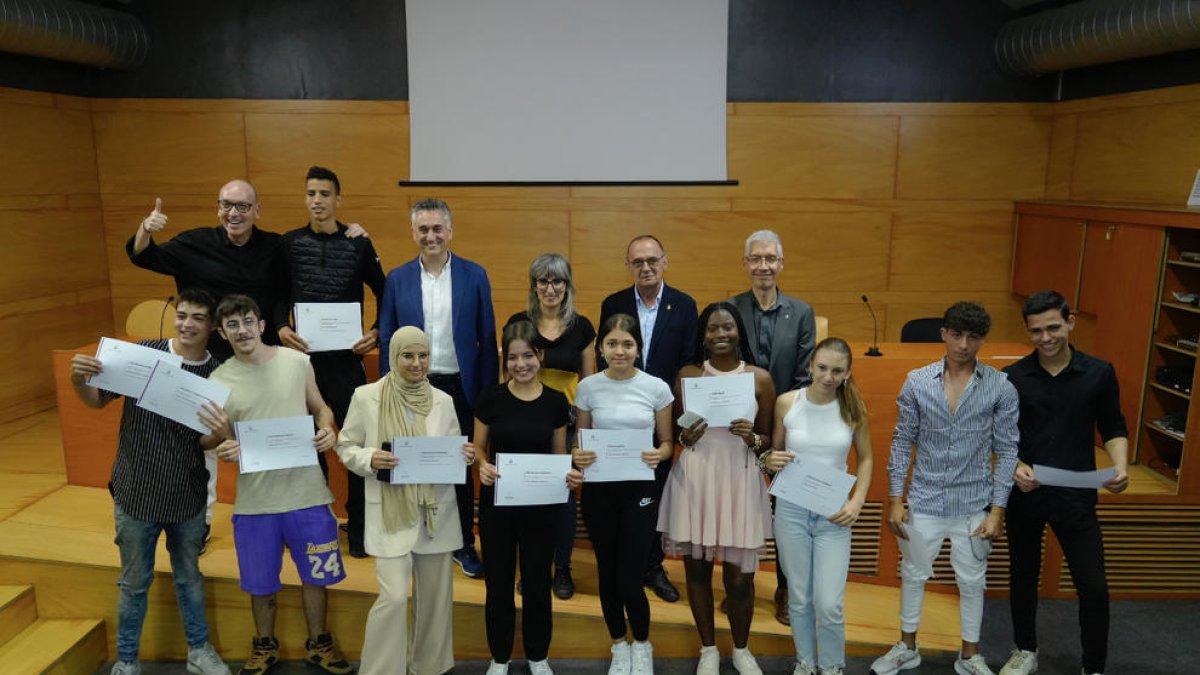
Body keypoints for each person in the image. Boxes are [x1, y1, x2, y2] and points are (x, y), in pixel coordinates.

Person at [68, 289, 229, 675]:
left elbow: (203, 442)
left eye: (197, 318)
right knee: (133, 584)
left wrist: (221, 434)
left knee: (189, 578)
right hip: (136, 492)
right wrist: (78, 381)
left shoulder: (219, 373)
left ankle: (199, 651)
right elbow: (95, 400)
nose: (187, 324)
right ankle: (126, 661)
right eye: (182, 315)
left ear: (211, 326)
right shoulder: (144, 353)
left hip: (187, 495)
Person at [198, 295, 351, 675]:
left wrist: (328, 428)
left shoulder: (296, 361)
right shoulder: (219, 379)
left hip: (308, 494)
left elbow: (321, 407)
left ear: (262, 323)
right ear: (222, 333)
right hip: (255, 502)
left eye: (248, 320)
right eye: (232, 325)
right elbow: (208, 439)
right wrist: (223, 444)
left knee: (317, 578)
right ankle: (264, 646)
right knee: (260, 583)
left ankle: (319, 643)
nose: (243, 330)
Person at [870, 302, 1019, 675]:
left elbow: (1007, 450)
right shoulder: (917, 381)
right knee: (913, 574)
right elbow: (903, 442)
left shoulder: (1001, 387)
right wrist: (894, 499)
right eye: (957, 335)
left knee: (972, 581)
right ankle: (907, 647)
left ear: (983, 339)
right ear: (944, 334)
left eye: (973, 337)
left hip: (974, 502)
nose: (964, 345)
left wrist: (998, 511)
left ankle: (969, 655)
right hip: (924, 497)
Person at [998, 290, 1129, 675]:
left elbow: (1113, 426)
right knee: (1023, 576)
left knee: (1093, 586)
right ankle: (1025, 650)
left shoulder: (1099, 372)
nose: (1045, 337)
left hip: (1077, 493)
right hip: (1026, 493)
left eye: (1053, 327)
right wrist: (1015, 465)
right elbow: (1002, 437)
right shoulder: (1013, 377)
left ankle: (1094, 666)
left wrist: (1120, 467)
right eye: (1036, 331)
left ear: (1070, 323)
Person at [335, 326, 473, 675]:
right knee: (394, 597)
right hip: (390, 514)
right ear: (393, 356)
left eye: (422, 355)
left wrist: (465, 455)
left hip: (435, 514)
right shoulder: (366, 396)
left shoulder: (444, 400)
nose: (416, 363)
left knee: (435, 602)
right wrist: (369, 459)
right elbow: (345, 446)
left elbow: (453, 449)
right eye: (407, 355)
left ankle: (429, 667)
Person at [379, 198, 498, 578]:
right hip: (413, 389)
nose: (431, 236)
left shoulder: (474, 275)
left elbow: (486, 335)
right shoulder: (397, 279)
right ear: (413, 233)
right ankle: (416, 538)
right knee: (414, 464)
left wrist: (486, 397)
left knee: (460, 468)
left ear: (450, 231)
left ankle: (462, 542)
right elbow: (387, 337)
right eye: (423, 229)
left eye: (437, 228)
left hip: (461, 388)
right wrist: (389, 390)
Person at [660, 301, 776, 675]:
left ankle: (741, 649)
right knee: (697, 571)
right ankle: (708, 648)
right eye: (713, 329)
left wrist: (752, 438)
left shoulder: (759, 378)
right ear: (703, 336)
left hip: (739, 479)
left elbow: (769, 442)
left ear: (739, 331)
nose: (721, 334)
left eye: (727, 327)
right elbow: (680, 434)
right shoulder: (688, 375)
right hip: (698, 477)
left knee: (740, 578)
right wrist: (685, 436)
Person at [277, 166, 387, 559]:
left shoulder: (357, 243)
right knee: (309, 445)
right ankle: (318, 524)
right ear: (305, 198)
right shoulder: (288, 243)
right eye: (311, 193)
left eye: (325, 193)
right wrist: (278, 326)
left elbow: (385, 289)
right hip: (303, 363)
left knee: (354, 443)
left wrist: (375, 331)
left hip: (345, 363)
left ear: (338, 200)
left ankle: (359, 528)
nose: (318, 200)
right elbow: (276, 293)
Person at [573, 313, 675, 675]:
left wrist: (658, 454)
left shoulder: (657, 387)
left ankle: (643, 646)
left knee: (630, 578)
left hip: (640, 492)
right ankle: (619, 645)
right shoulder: (588, 388)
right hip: (600, 492)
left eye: (627, 344)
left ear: (638, 348)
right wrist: (578, 455)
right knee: (608, 574)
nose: (620, 351)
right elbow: (579, 444)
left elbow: (667, 445)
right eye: (612, 344)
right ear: (601, 348)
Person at [599, 234, 698, 603]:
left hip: (663, 412)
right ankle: (624, 564)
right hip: (618, 414)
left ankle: (652, 565)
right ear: (628, 266)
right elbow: (605, 353)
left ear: (665, 261)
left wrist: (670, 412)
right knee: (621, 490)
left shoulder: (684, 305)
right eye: (637, 262)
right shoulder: (613, 303)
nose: (645, 267)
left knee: (655, 492)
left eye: (652, 260)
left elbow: (688, 361)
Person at [765, 337, 873, 675]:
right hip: (791, 511)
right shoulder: (787, 402)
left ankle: (832, 666)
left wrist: (858, 500)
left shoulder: (853, 408)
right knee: (799, 596)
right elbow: (773, 454)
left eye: (837, 370)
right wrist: (771, 459)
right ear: (810, 365)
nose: (828, 376)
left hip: (834, 515)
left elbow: (867, 458)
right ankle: (805, 663)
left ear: (847, 373)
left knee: (829, 603)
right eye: (822, 368)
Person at [475, 320, 576, 675]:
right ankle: (499, 658)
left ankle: (537, 655)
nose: (521, 365)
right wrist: (483, 467)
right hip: (497, 506)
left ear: (541, 356)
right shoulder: (491, 398)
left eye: (528, 356)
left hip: (540, 508)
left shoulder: (555, 402)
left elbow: (559, 457)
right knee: (498, 584)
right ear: (505, 359)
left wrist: (569, 475)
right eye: (513, 358)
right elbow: (478, 450)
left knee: (537, 582)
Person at [727, 229, 817, 624]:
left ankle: (785, 588)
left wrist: (782, 428)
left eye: (771, 259)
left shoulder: (800, 312)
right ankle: (739, 587)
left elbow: (805, 375)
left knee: (787, 513)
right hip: (738, 428)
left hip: (786, 426)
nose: (763, 265)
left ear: (781, 264)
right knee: (740, 510)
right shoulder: (729, 308)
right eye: (756, 258)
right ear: (745, 264)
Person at [506, 253, 596, 599]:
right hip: (524, 422)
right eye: (542, 280)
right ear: (534, 286)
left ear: (567, 286)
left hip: (568, 425)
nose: (550, 288)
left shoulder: (582, 327)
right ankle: (532, 567)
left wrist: (583, 432)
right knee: (527, 497)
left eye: (557, 280)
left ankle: (562, 568)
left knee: (562, 499)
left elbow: (588, 385)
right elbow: (508, 372)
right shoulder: (519, 322)